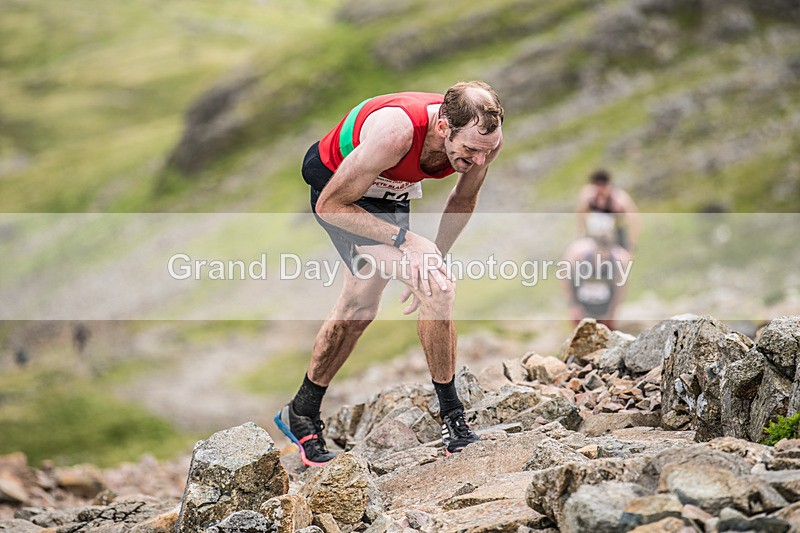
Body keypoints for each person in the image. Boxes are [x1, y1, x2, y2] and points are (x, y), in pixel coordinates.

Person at [274, 81, 504, 466]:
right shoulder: (396, 133)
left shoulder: (486, 137)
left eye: (485, 152)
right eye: (470, 151)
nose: (479, 161)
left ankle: (300, 410)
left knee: (361, 305)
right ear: (444, 127)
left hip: (390, 191)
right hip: (337, 188)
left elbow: (463, 198)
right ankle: (454, 422)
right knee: (440, 291)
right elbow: (331, 206)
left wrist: (433, 257)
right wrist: (407, 242)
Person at [562, 213, 632, 330]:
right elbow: (565, 279)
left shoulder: (619, 260)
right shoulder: (578, 255)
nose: (602, 260)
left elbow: (620, 289)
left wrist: (612, 313)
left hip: (604, 309)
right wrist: (573, 306)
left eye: (605, 256)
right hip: (582, 307)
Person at [577, 169, 640, 252]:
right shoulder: (588, 195)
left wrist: (631, 244)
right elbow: (580, 213)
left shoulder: (619, 198)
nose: (600, 189)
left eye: (603, 185)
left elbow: (634, 219)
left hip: (615, 236)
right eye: (597, 185)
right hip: (594, 235)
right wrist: (581, 235)